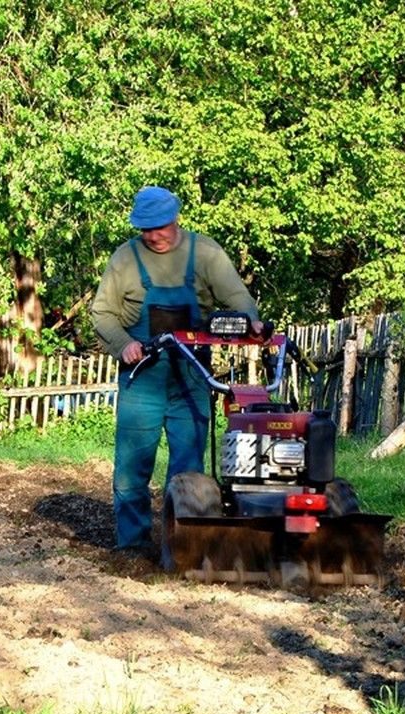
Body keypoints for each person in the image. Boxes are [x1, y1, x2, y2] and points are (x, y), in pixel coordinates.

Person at [91, 186, 263, 560]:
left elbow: (237, 297)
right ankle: (133, 546)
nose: (153, 236)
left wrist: (251, 321)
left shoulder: (205, 253)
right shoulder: (125, 259)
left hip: (191, 371)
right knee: (132, 466)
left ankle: (181, 549)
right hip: (143, 375)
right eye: (146, 229)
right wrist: (124, 345)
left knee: (188, 468)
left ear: (176, 220)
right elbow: (102, 313)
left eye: (160, 228)